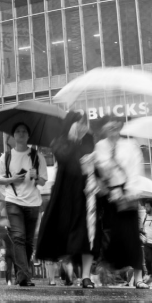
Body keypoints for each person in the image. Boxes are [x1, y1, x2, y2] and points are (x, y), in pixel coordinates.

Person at [37, 112, 95, 288]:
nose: (81, 126)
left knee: (86, 233)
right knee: (65, 233)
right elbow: (64, 158)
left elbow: (92, 160)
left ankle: (86, 276)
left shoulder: (88, 139)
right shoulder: (60, 141)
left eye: (83, 123)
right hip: (65, 195)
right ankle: (69, 269)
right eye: (78, 123)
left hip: (86, 192)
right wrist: (73, 139)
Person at [89, 118, 148, 288]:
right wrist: (108, 188)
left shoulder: (130, 145)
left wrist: (129, 191)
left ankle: (138, 278)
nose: (113, 130)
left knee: (133, 236)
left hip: (128, 194)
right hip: (109, 196)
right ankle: (109, 273)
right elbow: (98, 171)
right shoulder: (100, 147)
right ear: (104, 129)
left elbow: (136, 168)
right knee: (112, 236)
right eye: (109, 127)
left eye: (115, 126)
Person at [0, 123, 47, 288]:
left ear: (28, 135)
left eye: (24, 131)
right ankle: (25, 276)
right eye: (18, 131)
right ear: (13, 135)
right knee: (18, 237)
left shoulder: (37, 156)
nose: (21, 133)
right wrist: (13, 180)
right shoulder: (7, 156)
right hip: (13, 201)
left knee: (28, 242)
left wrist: (36, 176)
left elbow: (43, 181)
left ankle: (21, 274)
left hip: (33, 202)